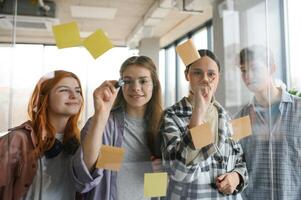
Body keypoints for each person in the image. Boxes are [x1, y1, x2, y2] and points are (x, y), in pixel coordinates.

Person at [71, 56, 163, 200]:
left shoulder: (162, 126)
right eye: (128, 81)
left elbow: (158, 189)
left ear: (154, 85)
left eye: (143, 81)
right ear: (121, 86)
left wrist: (161, 174)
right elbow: (84, 174)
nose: (136, 88)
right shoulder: (107, 124)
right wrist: (101, 113)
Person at [160, 49, 248, 199]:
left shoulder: (227, 117)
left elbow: (241, 161)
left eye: (211, 74)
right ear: (187, 75)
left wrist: (236, 177)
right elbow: (178, 172)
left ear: (218, 77)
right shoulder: (171, 116)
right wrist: (199, 110)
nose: (205, 79)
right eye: (197, 73)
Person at [0, 70, 84, 200]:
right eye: (64, 90)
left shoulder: (82, 142)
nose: (74, 96)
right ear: (44, 97)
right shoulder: (17, 139)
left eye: (78, 91)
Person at [236, 45, 301, 200]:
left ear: (271, 68)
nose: (248, 76)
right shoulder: (240, 118)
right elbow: (238, 167)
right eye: (243, 70)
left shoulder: (299, 110)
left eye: (254, 68)